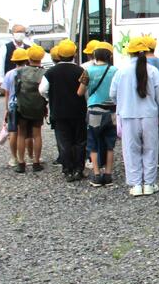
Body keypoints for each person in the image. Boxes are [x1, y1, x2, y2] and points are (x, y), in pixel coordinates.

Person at [110, 37, 159, 196]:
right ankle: (149, 184)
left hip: (128, 115)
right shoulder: (153, 71)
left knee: (131, 150)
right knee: (151, 149)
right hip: (149, 115)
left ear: (129, 53)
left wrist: (121, 104)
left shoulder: (121, 72)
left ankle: (135, 185)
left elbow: (112, 94)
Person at [40, 39, 87, 181]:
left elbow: (42, 89)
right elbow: (85, 91)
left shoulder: (51, 72)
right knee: (80, 141)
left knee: (64, 141)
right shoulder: (81, 70)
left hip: (59, 111)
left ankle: (68, 170)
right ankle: (79, 169)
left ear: (59, 55)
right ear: (74, 54)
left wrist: (50, 97)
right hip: (78, 111)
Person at [77, 42, 118, 187]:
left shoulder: (88, 71)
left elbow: (80, 92)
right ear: (110, 56)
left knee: (93, 142)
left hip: (95, 110)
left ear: (94, 55)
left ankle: (96, 174)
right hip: (112, 111)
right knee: (110, 143)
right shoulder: (115, 70)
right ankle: (108, 174)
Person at [14, 44, 47, 173]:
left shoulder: (20, 72)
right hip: (38, 107)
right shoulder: (44, 73)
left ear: (28, 57)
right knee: (37, 134)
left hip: (22, 106)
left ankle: (21, 163)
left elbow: (16, 89)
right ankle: (36, 162)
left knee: (21, 134)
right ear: (41, 57)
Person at [1, 48, 29, 168]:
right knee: (25, 132)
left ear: (14, 61)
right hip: (26, 104)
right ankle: (28, 156)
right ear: (26, 60)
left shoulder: (9, 74)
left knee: (13, 132)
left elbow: (6, 93)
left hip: (13, 104)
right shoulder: (28, 72)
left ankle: (14, 158)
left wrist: (6, 109)